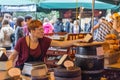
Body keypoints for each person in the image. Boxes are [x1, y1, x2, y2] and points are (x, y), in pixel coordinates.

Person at [9, 20, 84, 70]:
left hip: (38, 71)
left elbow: (61, 44)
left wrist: (76, 41)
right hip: (22, 71)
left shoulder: (44, 40)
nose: (43, 31)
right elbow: (12, 57)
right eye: (40, 29)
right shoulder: (22, 41)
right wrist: (11, 70)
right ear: (32, 31)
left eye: (43, 29)